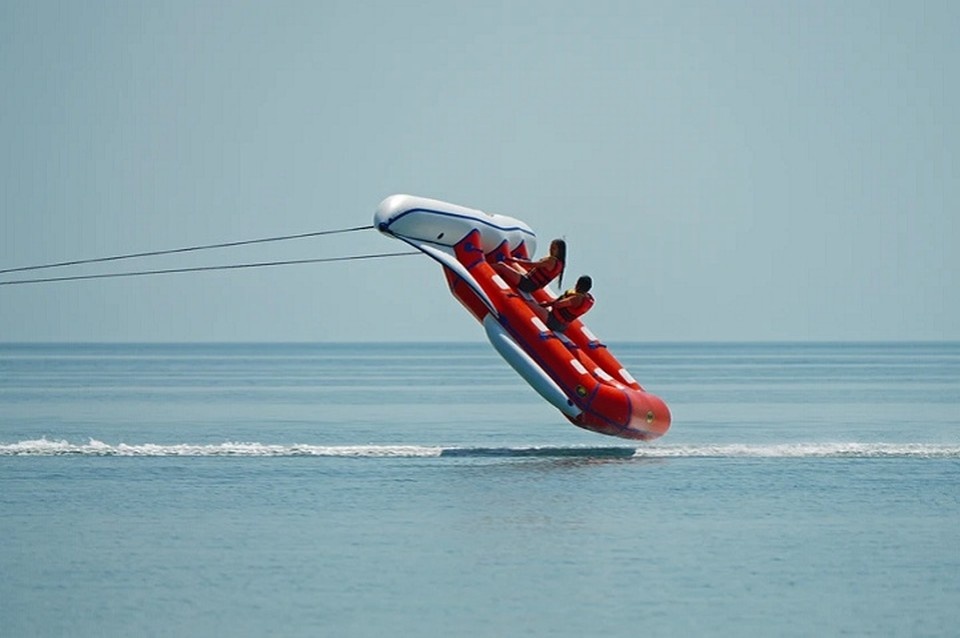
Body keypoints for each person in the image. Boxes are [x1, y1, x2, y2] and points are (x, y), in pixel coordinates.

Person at [494, 239, 566, 293]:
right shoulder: (560, 265)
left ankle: (485, 265)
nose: (550, 250)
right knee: (513, 263)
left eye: (553, 248)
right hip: (531, 286)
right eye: (550, 247)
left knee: (501, 266)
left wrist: (515, 260)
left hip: (526, 283)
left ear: (559, 250)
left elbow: (531, 265)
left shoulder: (551, 260)